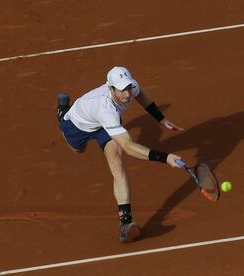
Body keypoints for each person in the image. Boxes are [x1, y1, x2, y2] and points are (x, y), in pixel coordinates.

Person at [56, 66, 184, 242]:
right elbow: (128, 146)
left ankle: (126, 223)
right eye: (122, 89)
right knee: (78, 150)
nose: (127, 94)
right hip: (78, 124)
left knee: (117, 164)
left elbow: (141, 94)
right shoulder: (105, 109)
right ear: (111, 88)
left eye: (128, 87)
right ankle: (62, 113)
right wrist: (166, 157)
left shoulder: (130, 89)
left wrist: (160, 118)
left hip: (106, 125)